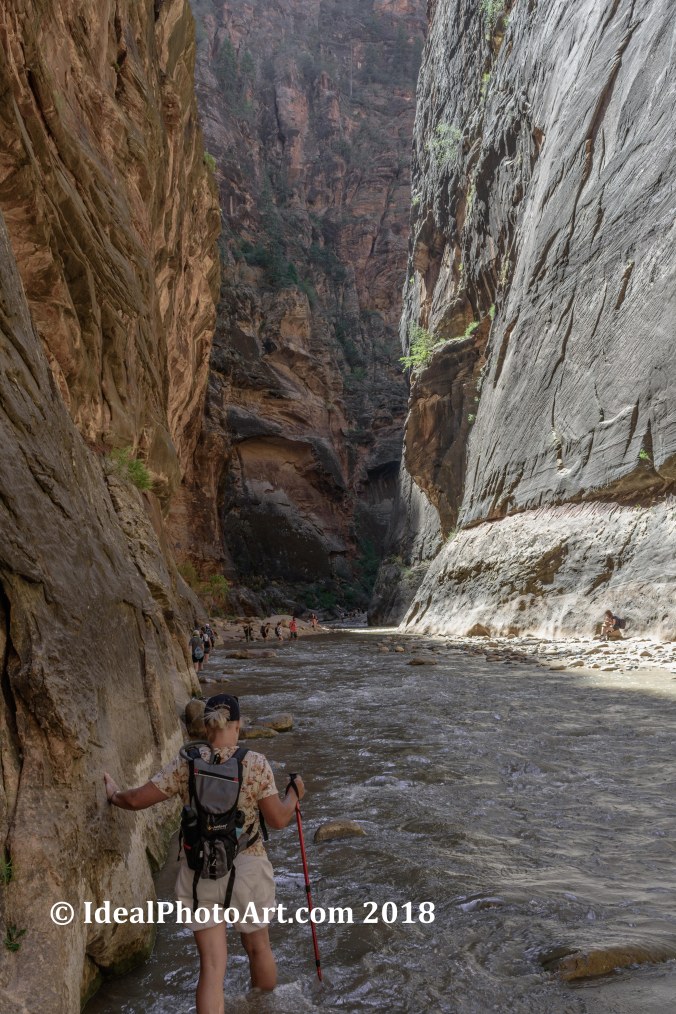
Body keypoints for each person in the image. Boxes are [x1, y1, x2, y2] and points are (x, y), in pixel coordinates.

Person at [103, 693, 306, 1014]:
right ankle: (262, 1008)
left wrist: (114, 795)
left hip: (199, 873)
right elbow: (279, 820)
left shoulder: (187, 762)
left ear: (207, 724)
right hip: (248, 869)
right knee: (258, 948)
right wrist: (294, 794)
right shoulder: (254, 763)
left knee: (212, 968)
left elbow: (136, 800)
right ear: (237, 725)